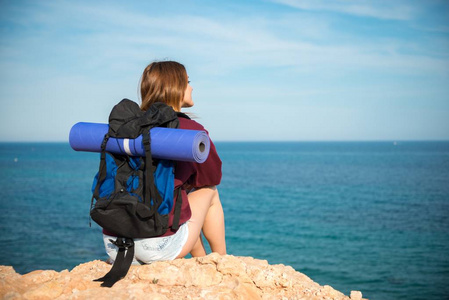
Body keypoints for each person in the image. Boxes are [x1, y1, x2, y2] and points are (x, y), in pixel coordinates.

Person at [103, 61, 226, 264]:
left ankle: (202, 261)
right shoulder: (190, 129)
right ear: (175, 87)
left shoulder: (128, 127)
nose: (192, 87)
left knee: (180, 199)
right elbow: (213, 176)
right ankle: (222, 260)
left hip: (115, 243)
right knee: (210, 191)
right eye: (187, 82)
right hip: (157, 247)